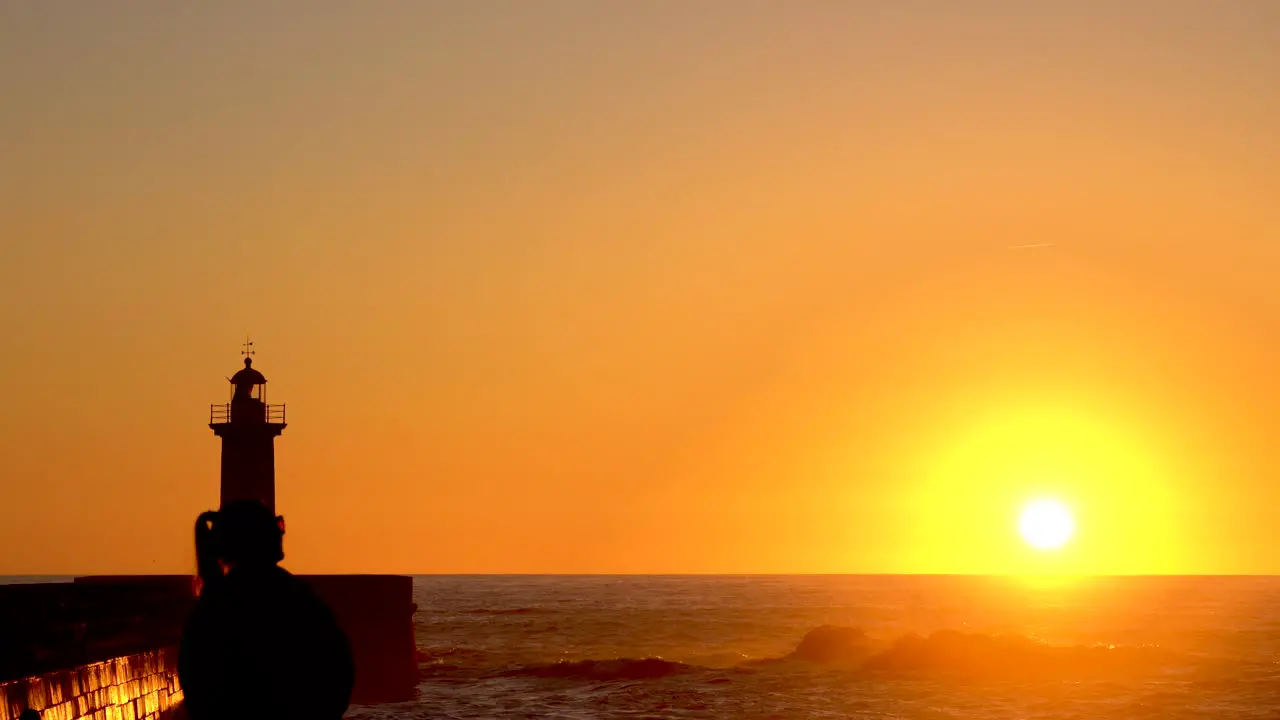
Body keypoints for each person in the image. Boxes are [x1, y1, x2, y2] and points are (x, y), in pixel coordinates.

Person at [178, 500, 355, 720]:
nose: (282, 532)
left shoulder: (210, 609)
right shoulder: (298, 600)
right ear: (262, 537)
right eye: (277, 525)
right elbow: (339, 669)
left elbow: (196, 683)